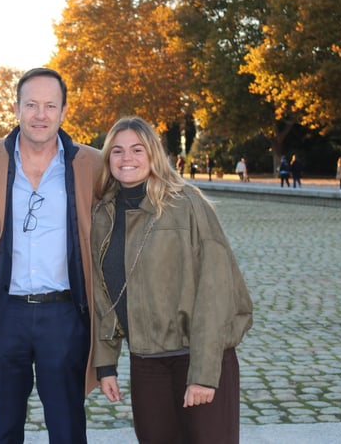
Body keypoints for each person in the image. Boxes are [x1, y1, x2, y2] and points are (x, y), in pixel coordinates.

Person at [91, 116, 253, 444]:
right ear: (108, 158)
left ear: (153, 154)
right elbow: (102, 295)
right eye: (117, 151)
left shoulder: (186, 203)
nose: (126, 158)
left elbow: (216, 290)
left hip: (196, 355)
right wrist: (106, 364)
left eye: (137, 149)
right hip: (146, 363)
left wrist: (204, 374)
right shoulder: (103, 214)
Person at [0, 67, 103, 444]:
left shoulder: (92, 164)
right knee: (2, 429)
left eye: (50, 105)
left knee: (68, 428)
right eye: (31, 105)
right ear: (16, 108)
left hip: (64, 315)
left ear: (64, 111)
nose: (40, 115)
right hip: (1, 314)